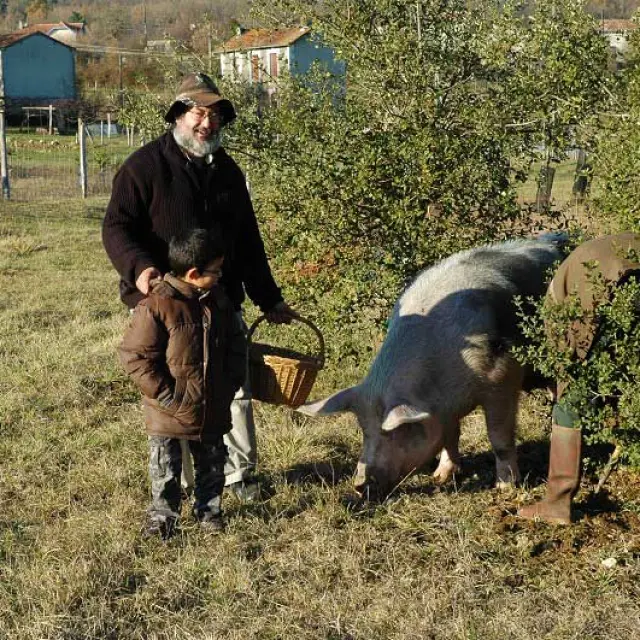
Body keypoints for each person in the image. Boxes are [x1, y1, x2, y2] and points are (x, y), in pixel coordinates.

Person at [103, 72, 296, 501]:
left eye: (215, 116)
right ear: (178, 115)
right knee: (177, 386)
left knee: (234, 383)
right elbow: (116, 227)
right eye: (199, 113)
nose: (208, 124)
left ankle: (239, 475)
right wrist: (140, 270)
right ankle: (186, 480)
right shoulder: (144, 166)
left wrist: (269, 298)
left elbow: (247, 241)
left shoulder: (228, 172)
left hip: (221, 299)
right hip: (165, 301)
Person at [119, 228, 247, 538]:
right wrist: (168, 397)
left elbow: (235, 343)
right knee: (166, 469)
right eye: (215, 270)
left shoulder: (219, 302)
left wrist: (229, 383)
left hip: (212, 405)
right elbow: (135, 357)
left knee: (213, 464)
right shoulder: (157, 306)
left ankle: (209, 511)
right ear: (193, 272)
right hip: (167, 413)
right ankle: (164, 518)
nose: (219, 275)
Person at [518, 232, 640, 525]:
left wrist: (564, 388)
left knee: (572, 398)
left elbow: (573, 350)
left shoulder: (557, 306)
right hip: (625, 275)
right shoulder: (584, 259)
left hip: (611, 285)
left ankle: (557, 503)